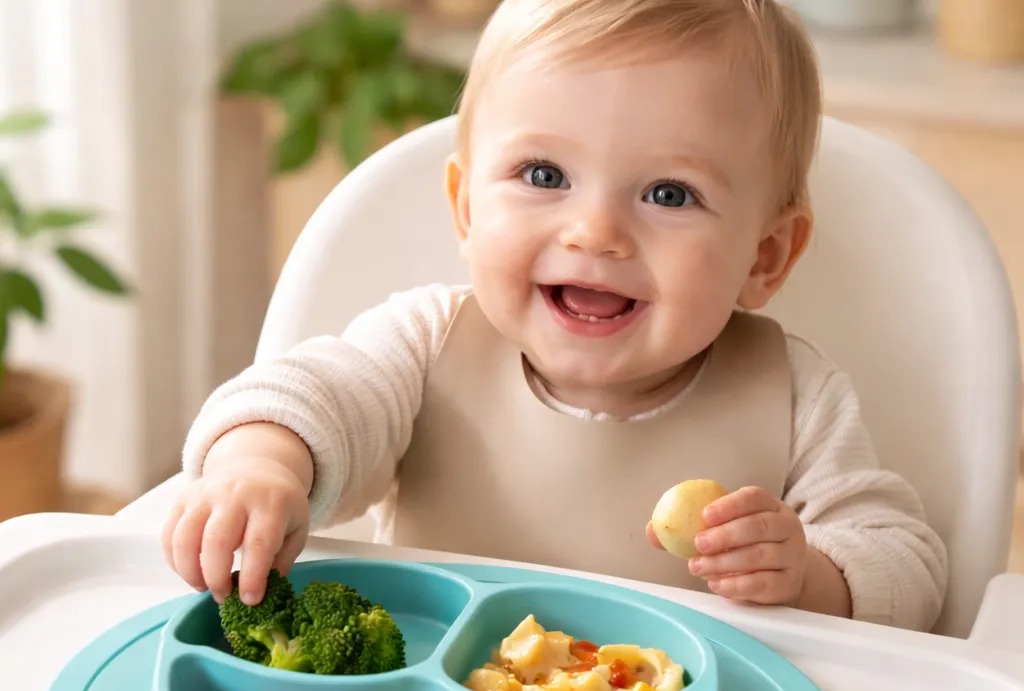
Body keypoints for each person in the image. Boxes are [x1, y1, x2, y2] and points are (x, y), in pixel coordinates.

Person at [163, 0, 947, 632]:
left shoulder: (794, 396)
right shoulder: (427, 347)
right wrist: (261, 467)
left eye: (669, 194)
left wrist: (809, 574)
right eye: (544, 174)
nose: (594, 232)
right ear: (467, 208)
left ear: (765, 257)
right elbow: (309, 397)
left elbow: (906, 563)